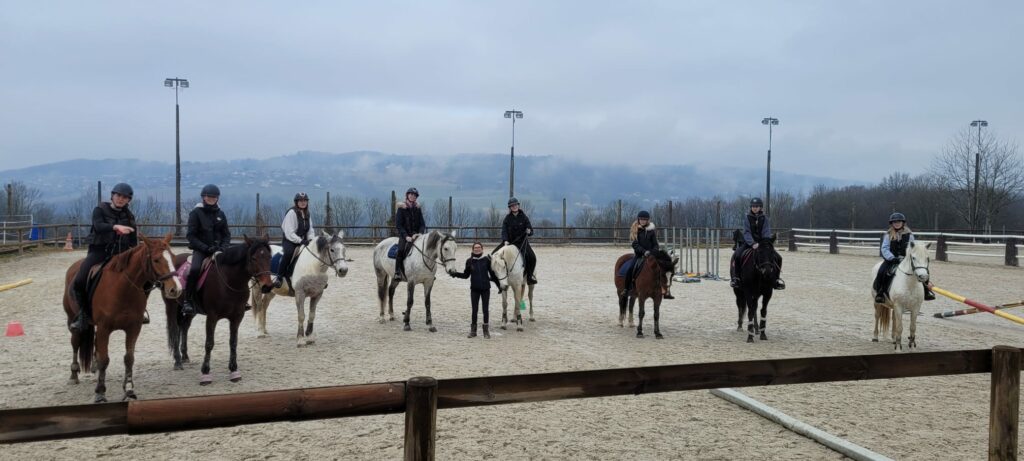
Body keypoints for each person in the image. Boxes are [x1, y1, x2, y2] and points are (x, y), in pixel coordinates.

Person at [69, 183, 138, 332]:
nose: (121, 199)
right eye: (118, 195)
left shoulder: (129, 216)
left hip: (121, 254)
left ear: (128, 200)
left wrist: (134, 253)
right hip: (99, 251)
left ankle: (139, 310)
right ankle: (82, 314)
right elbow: (98, 226)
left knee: (140, 276)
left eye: (125, 197)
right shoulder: (99, 210)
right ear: (112, 195)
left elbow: (133, 239)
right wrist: (115, 227)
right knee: (80, 279)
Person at [182, 184, 230, 315]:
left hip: (219, 250)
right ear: (204, 197)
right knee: (195, 269)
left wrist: (223, 247)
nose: (211, 199)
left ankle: (238, 298)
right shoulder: (196, 213)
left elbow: (226, 234)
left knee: (235, 267)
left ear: (217, 198)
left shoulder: (221, 214)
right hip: (201, 250)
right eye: (209, 196)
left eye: (214, 197)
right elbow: (191, 236)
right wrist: (205, 248)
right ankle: (188, 300)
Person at [873, 212, 935, 303]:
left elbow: (913, 248)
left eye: (899, 222)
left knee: (923, 270)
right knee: (882, 271)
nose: (897, 223)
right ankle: (880, 292)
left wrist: (908, 257)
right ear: (892, 224)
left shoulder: (909, 235)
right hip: (892, 260)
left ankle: (926, 291)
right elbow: (884, 248)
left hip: (906, 260)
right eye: (895, 222)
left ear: (903, 223)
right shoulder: (888, 235)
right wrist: (891, 258)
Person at [730, 197, 785, 290]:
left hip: (762, 244)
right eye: (753, 206)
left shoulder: (764, 218)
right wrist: (752, 243)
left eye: (756, 206)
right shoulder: (747, 218)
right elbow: (747, 232)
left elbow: (766, 232)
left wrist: (763, 243)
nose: (754, 208)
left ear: (760, 207)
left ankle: (776, 279)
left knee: (778, 258)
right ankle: (736, 278)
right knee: (737, 255)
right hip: (748, 243)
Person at [448, 242, 500, 338]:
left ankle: (486, 331)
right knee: (474, 310)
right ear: (472, 249)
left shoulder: (487, 260)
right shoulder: (469, 261)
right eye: (475, 247)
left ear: (482, 249)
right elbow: (466, 275)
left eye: (479, 247)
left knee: (485, 310)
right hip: (474, 289)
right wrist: (455, 274)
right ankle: (473, 331)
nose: (477, 249)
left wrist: (499, 286)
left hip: (485, 289)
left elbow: (492, 274)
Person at [272, 192, 315, 293]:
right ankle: (279, 277)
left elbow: (310, 230)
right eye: (301, 201)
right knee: (288, 253)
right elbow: (289, 232)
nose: (303, 202)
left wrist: (311, 239)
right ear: (296, 202)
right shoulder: (291, 213)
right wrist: (300, 240)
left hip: (303, 241)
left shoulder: (307, 213)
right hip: (290, 241)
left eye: (305, 200)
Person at [494, 197, 537, 284]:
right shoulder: (507, 218)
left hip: (522, 242)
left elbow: (531, 230)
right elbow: (504, 231)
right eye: (512, 206)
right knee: (493, 255)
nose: (514, 207)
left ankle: (529, 277)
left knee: (532, 257)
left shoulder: (524, 217)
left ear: (518, 205)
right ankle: (494, 276)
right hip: (509, 242)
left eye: (515, 205)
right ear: (510, 207)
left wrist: (529, 232)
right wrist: (505, 240)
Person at [622, 210, 661, 297]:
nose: (643, 221)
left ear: (647, 220)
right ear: (638, 219)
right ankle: (627, 289)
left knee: (661, 268)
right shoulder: (635, 230)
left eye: (645, 219)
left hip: (651, 255)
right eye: (641, 219)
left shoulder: (651, 231)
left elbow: (655, 244)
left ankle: (662, 287)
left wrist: (652, 251)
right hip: (639, 255)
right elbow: (635, 244)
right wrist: (644, 252)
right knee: (631, 268)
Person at [394, 187, 426, 282]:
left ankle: (426, 272)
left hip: (416, 235)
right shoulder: (401, 209)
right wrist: (406, 236)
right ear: (407, 195)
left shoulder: (418, 209)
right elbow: (399, 225)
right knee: (400, 250)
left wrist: (419, 233)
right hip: (405, 235)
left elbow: (422, 224)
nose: (413, 196)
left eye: (415, 195)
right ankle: (397, 272)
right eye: (411, 194)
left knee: (426, 249)